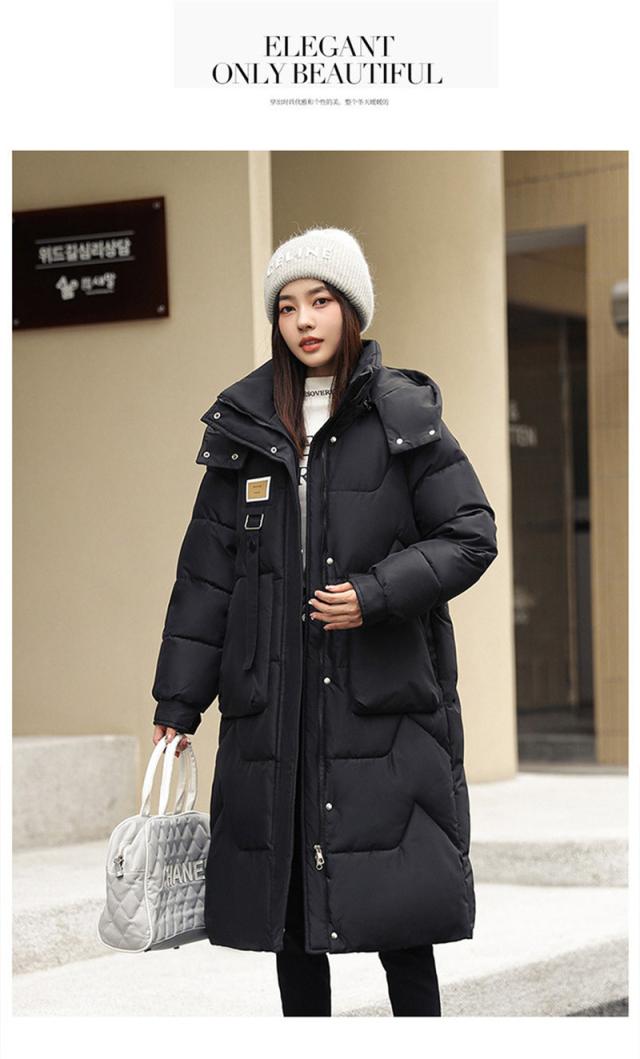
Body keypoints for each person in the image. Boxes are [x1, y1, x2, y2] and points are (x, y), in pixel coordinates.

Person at [151, 226, 498, 1016]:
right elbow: (207, 579)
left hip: (383, 708)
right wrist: (178, 701)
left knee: (401, 914)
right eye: (286, 306)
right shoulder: (243, 428)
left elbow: (471, 534)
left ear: (351, 309)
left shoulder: (403, 414)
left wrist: (375, 593)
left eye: (320, 301)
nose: (303, 320)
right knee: (293, 919)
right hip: (276, 713)